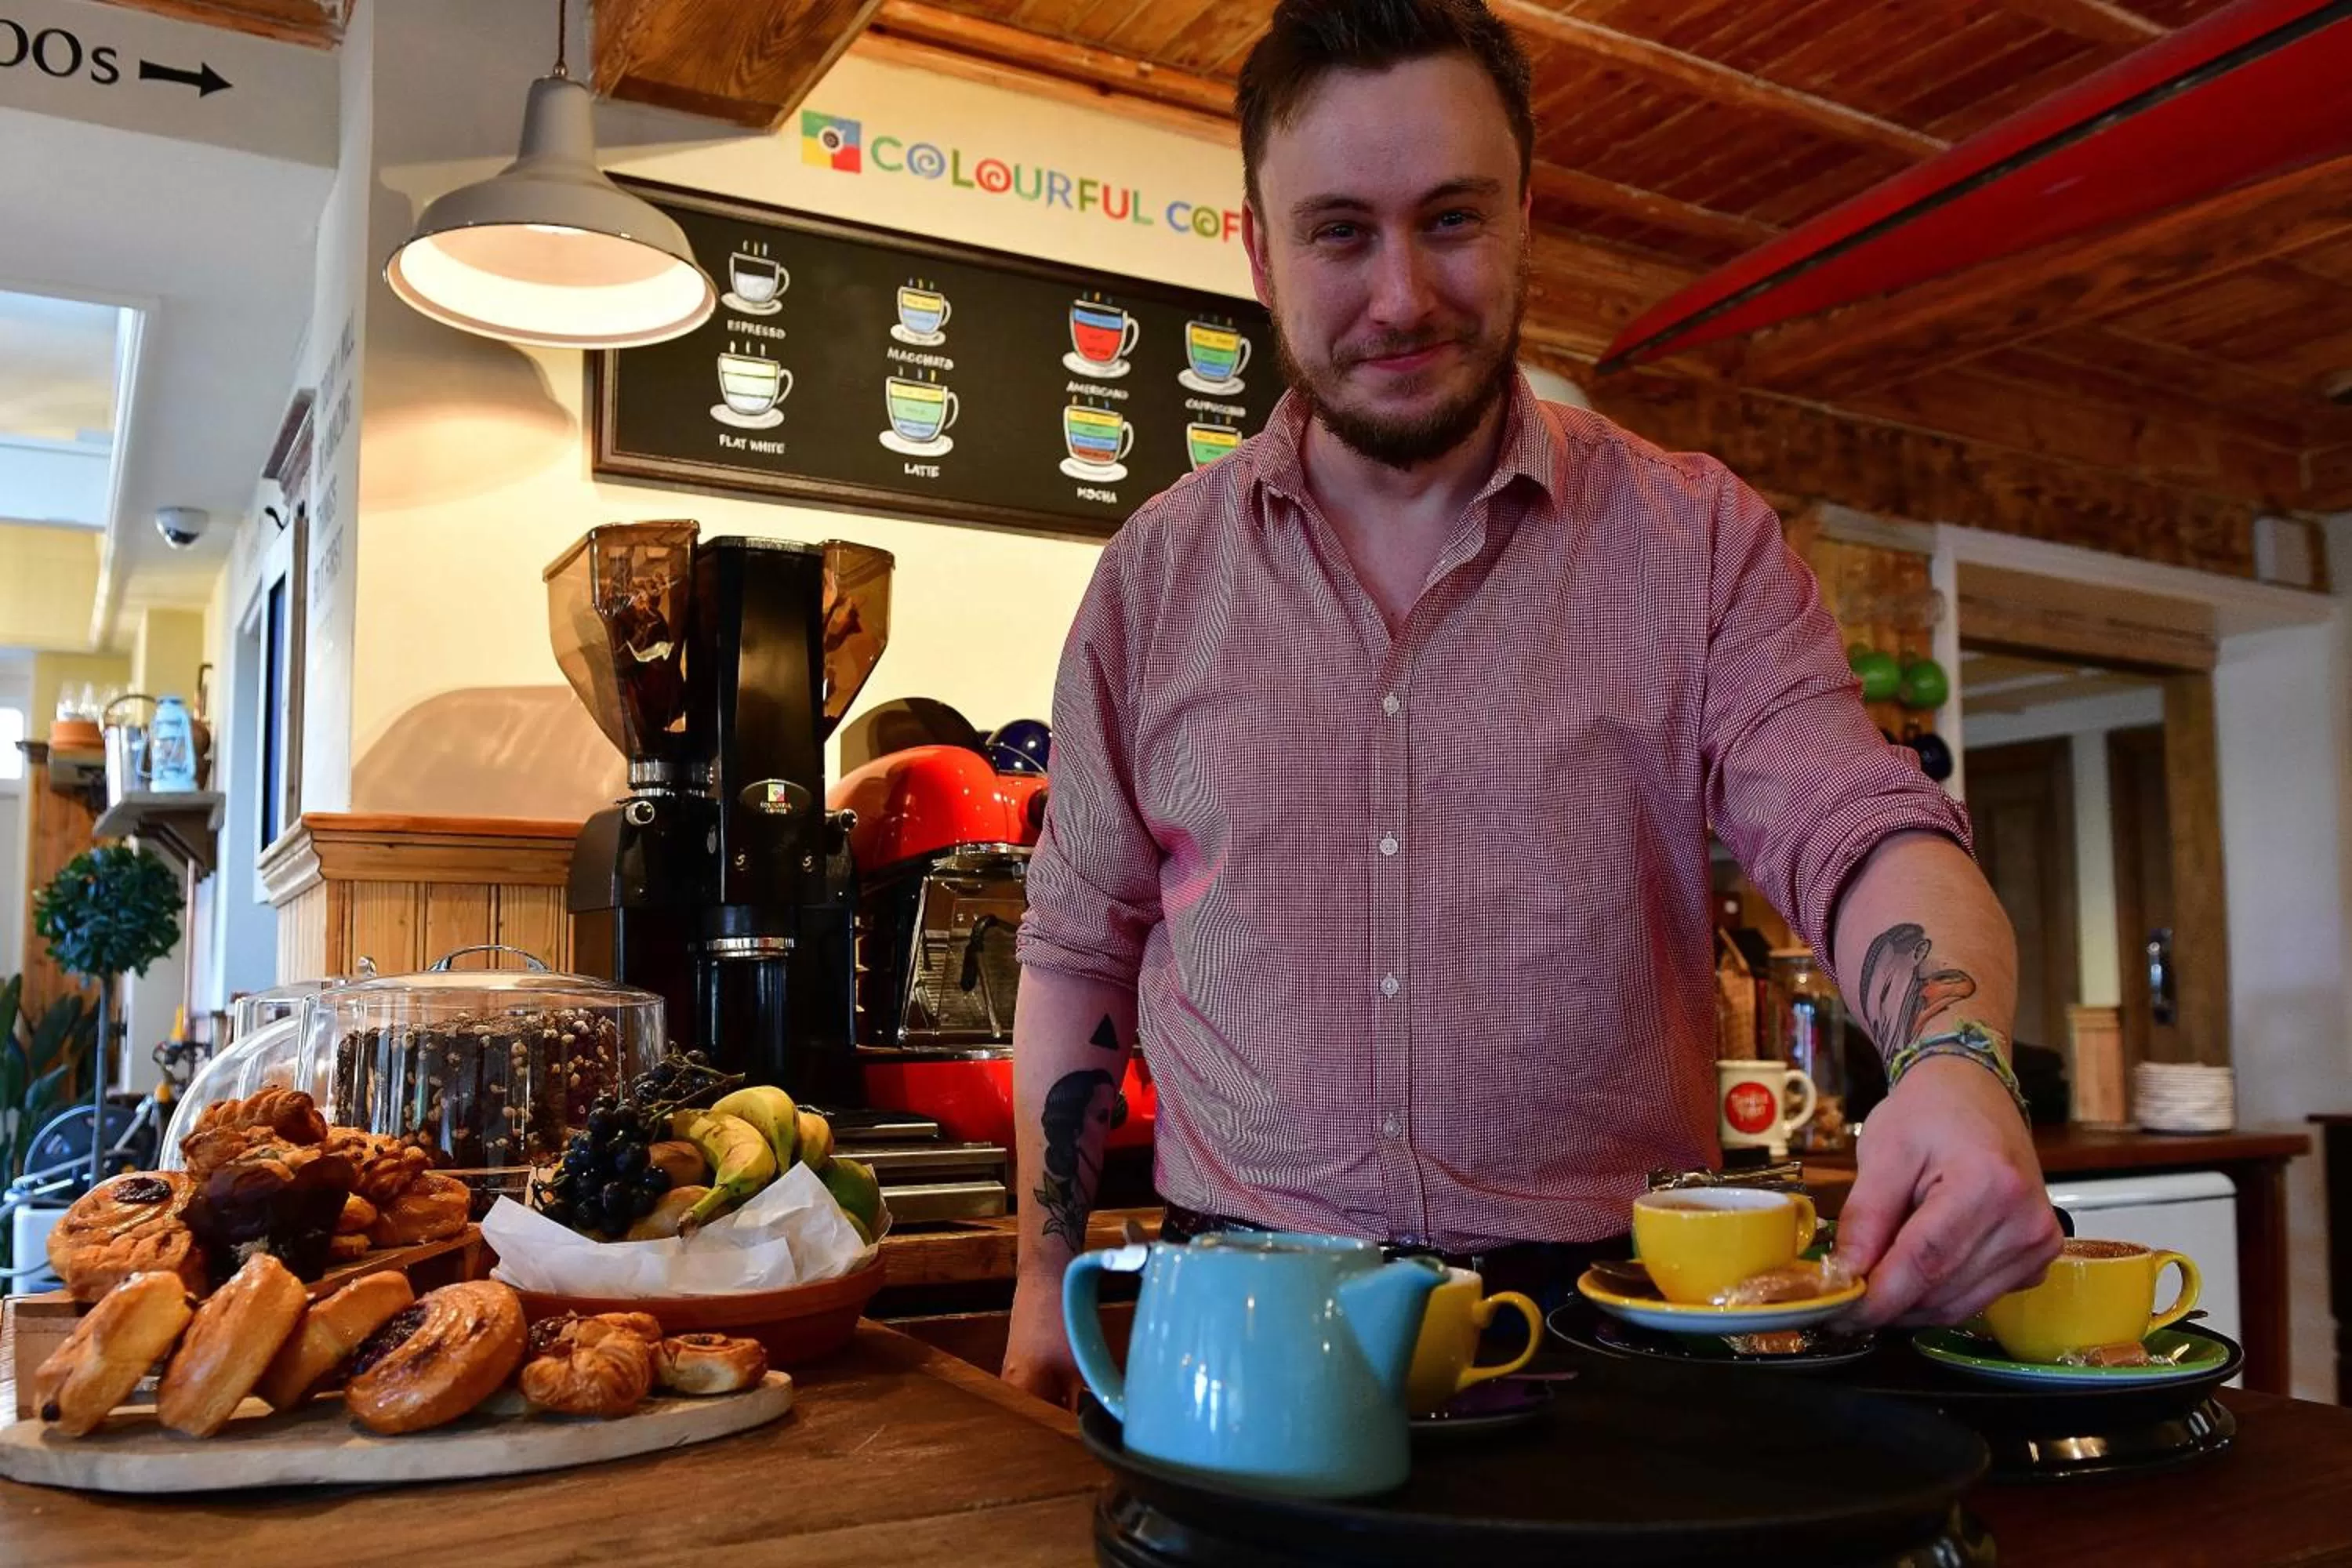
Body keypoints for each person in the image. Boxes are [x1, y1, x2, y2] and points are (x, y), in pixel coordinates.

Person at [1004, 0, 2062, 1406]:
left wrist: (1953, 1051)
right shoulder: (1152, 579)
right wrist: (1038, 1277)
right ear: (1258, 248)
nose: (1399, 295)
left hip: (1615, 1331)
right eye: (1338, 232)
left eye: (1450, 219)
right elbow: (1081, 948)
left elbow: (1855, 823)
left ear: (1524, 219)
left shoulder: (1695, 540)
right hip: (1246, 1314)